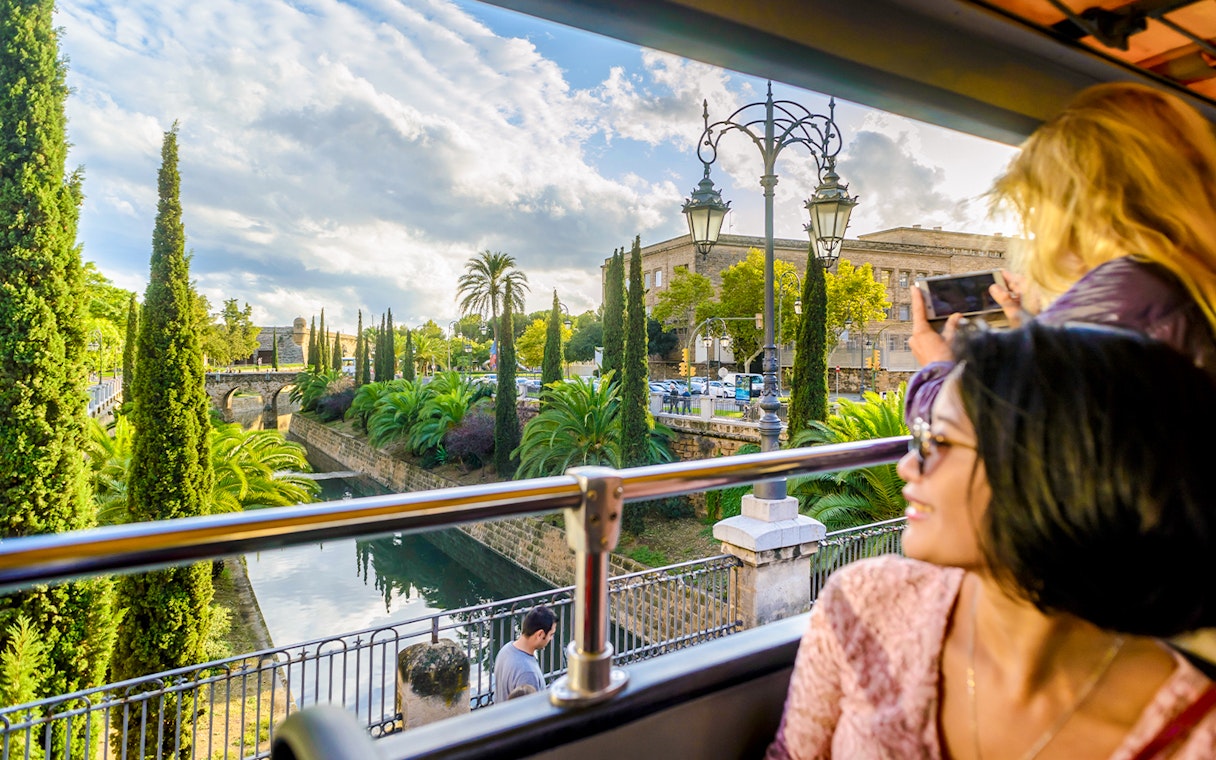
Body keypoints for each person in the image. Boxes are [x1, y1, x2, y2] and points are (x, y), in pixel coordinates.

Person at [766, 324, 1216, 759]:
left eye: (939, 441)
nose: (907, 467)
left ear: (1056, 474)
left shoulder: (1193, 736)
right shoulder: (866, 605)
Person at [906, 82, 1216, 425]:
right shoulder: (1186, 282)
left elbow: (991, 438)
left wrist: (937, 370)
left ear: (1072, 207)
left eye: (1035, 205)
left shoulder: (1112, 303)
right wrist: (1034, 331)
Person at [493, 605, 557, 704]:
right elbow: (531, 712)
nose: (551, 639)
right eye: (551, 634)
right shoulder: (528, 673)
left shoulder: (505, 650)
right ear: (540, 634)